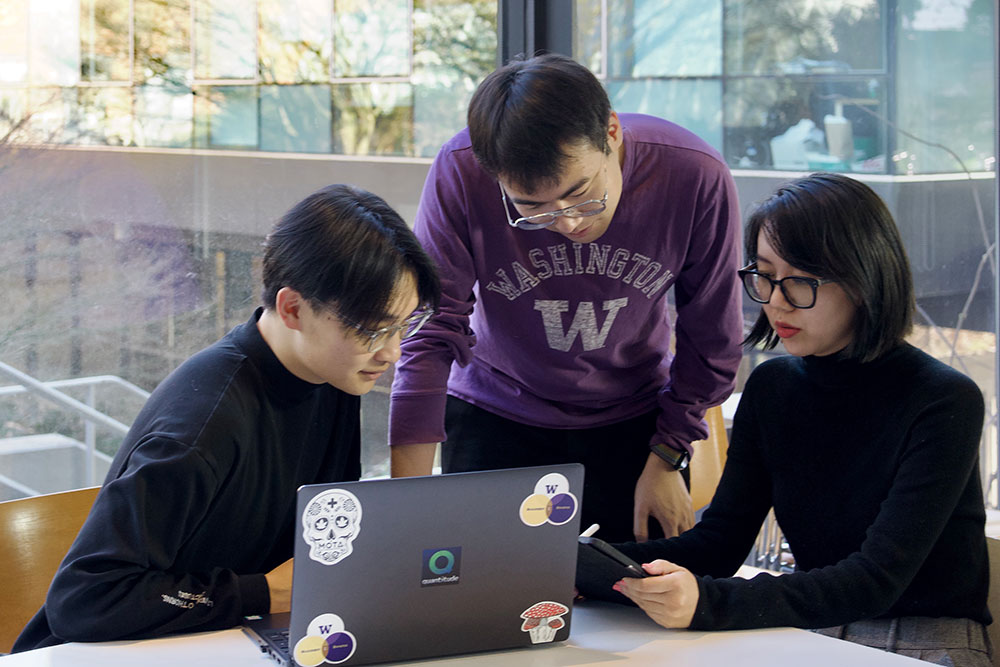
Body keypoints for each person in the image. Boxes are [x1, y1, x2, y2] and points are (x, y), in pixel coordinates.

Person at [13, 184, 440, 651]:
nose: (392, 353)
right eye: (372, 329)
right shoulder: (205, 427)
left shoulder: (333, 374)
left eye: (403, 326)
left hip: (232, 640)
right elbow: (86, 598)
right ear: (293, 308)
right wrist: (265, 591)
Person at [592, 173, 991, 666]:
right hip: (818, 624)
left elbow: (876, 579)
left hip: (926, 636)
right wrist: (595, 570)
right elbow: (721, 542)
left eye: (800, 280)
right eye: (764, 274)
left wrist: (706, 602)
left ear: (864, 279)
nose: (776, 300)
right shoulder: (773, 387)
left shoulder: (944, 400)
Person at [389, 53, 743, 542]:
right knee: (482, 600)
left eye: (582, 192)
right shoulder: (460, 171)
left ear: (612, 133)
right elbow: (430, 328)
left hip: (637, 422)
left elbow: (713, 337)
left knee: (637, 599)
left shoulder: (693, 174)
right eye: (532, 209)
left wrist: (669, 452)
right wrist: (403, 505)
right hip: (495, 411)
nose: (569, 222)